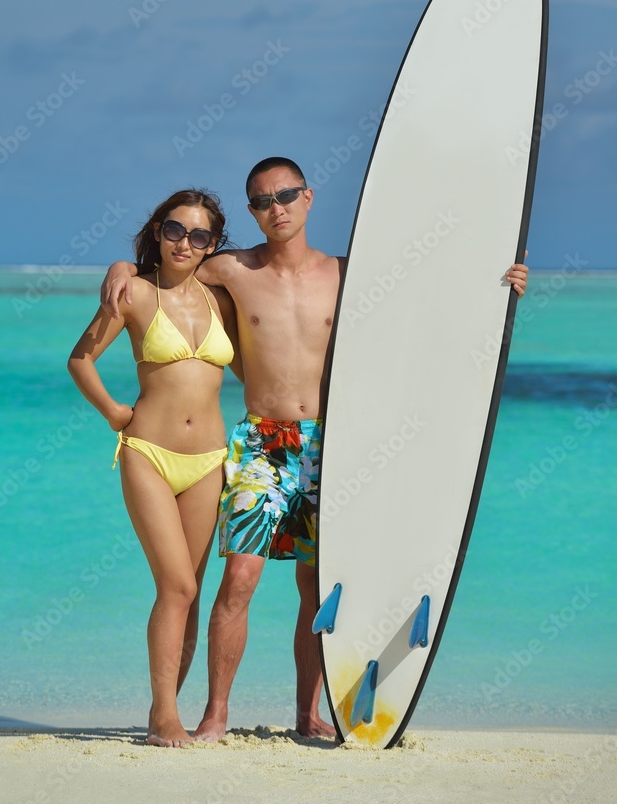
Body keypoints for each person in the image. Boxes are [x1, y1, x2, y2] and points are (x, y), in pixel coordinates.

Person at [100, 157, 529, 740]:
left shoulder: (348, 273)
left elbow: (424, 301)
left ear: (308, 198)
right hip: (261, 443)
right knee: (240, 579)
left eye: (285, 195)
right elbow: (167, 269)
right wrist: (121, 264)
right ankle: (215, 715)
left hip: (331, 444)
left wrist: (497, 286)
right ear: (250, 211)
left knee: (315, 586)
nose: (275, 208)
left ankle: (308, 713)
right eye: (261, 200)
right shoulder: (231, 269)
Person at [69, 189, 240, 748]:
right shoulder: (135, 292)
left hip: (210, 460)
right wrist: (115, 411)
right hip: (148, 454)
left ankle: (164, 709)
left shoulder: (221, 299)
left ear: (213, 244)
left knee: (189, 592)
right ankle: (164, 717)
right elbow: (81, 358)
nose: (183, 243)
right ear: (157, 231)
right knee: (176, 584)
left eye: (197, 235)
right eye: (173, 230)